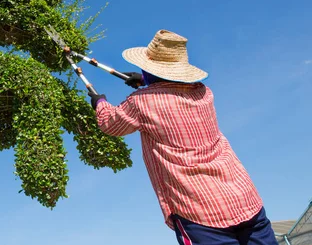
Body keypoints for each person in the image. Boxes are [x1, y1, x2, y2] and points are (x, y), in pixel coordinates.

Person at [89, 29, 278, 245]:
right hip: (244, 199)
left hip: (199, 210)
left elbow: (110, 124)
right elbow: (172, 91)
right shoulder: (205, 93)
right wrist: (145, 80)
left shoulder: (140, 102)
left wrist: (99, 102)